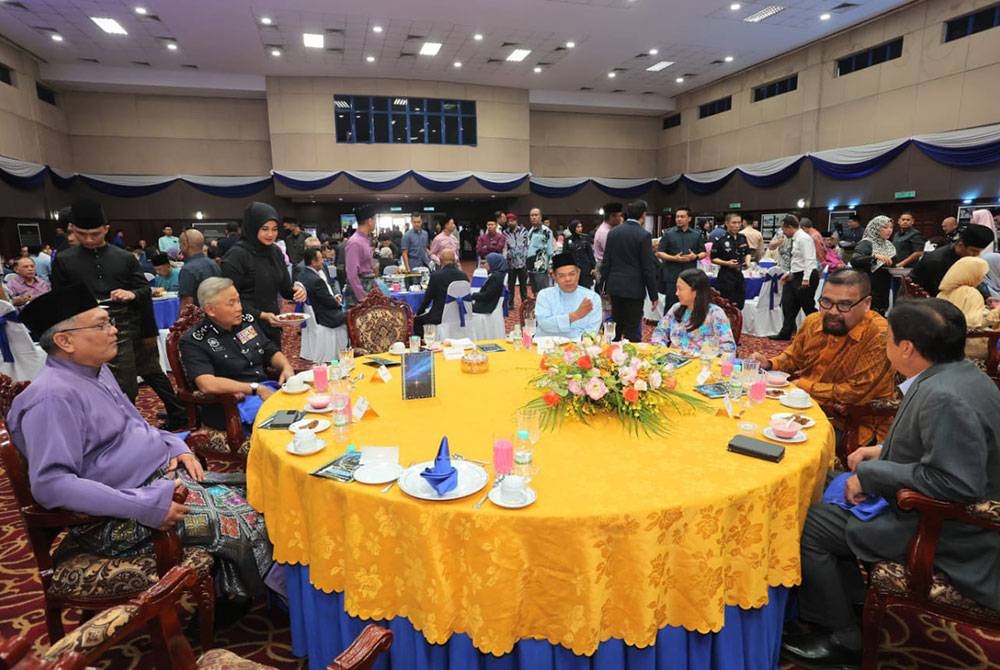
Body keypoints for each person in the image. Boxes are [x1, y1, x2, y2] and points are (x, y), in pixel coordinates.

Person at [8, 283, 274, 602]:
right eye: (101, 324)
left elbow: (136, 427)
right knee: (246, 521)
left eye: (109, 321)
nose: (113, 330)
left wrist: (176, 446)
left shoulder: (96, 371)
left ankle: (232, 591)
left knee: (261, 492)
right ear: (65, 341)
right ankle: (278, 602)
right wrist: (142, 505)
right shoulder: (52, 398)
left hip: (159, 481)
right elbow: (50, 485)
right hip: (116, 518)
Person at [782, 299, 1000, 668]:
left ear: (906, 348)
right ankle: (851, 599)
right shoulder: (957, 374)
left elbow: (956, 483)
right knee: (821, 484)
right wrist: (881, 452)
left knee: (807, 523)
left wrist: (873, 474)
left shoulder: (944, 396)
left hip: (945, 529)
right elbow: (939, 445)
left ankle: (842, 637)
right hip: (920, 501)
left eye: (890, 340)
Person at [51, 200, 187, 432]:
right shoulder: (65, 260)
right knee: (91, 383)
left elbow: (145, 291)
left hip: (127, 325)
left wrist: (131, 294)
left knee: (131, 381)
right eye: (83, 234)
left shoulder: (123, 257)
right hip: (86, 330)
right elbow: (60, 299)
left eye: (95, 234)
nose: (90, 240)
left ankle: (129, 430)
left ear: (106, 229)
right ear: (73, 230)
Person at [752, 269, 897, 447]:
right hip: (800, 406)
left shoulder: (880, 336)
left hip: (849, 425)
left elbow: (854, 394)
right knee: (750, 420)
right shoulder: (814, 321)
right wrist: (769, 363)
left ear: (866, 303)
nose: (832, 312)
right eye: (826, 302)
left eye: (844, 305)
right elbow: (793, 358)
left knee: (777, 446)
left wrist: (802, 386)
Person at [180, 277, 294, 435]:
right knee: (287, 430)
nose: (239, 308)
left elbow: (268, 349)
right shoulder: (195, 340)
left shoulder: (245, 322)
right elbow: (207, 384)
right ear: (210, 309)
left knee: (308, 407)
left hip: (266, 389)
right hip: (231, 406)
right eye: (231, 303)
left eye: (239, 301)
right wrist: (254, 389)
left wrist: (286, 366)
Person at [222, 202, 306, 342]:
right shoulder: (236, 256)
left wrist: (297, 291)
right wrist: (261, 315)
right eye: (265, 229)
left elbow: (285, 289)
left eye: (274, 229)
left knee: (276, 361)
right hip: (244, 326)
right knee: (253, 361)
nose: (270, 234)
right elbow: (228, 300)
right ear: (252, 228)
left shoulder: (275, 252)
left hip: (271, 322)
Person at [597, 199, 659, 342]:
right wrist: (653, 295)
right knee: (632, 325)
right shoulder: (643, 235)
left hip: (615, 286)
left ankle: (615, 354)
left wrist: (603, 285)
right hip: (634, 288)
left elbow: (606, 262)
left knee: (617, 322)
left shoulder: (613, 232)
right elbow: (647, 268)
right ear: (643, 215)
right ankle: (631, 356)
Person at [651, 268, 735, 354]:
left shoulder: (715, 313)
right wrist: (661, 349)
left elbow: (728, 347)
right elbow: (659, 332)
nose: (676, 293)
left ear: (696, 291)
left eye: (680, 289)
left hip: (702, 364)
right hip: (674, 361)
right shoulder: (676, 308)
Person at [937, 257, 1000, 360]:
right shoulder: (970, 293)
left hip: (947, 342)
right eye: (980, 275)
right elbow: (974, 323)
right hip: (969, 345)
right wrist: (997, 312)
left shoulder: (943, 292)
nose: (981, 279)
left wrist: (986, 308)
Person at [909, 224, 993, 296]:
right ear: (960, 244)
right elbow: (940, 293)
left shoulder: (968, 259)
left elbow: (974, 280)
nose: (976, 255)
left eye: (979, 252)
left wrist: (987, 297)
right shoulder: (936, 260)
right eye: (974, 251)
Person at [535, 252, 603, 339]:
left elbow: (591, 332)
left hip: (578, 348)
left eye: (572, 274)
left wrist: (573, 346)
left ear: (578, 274)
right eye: (562, 276)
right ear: (554, 277)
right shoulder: (544, 295)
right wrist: (575, 316)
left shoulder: (592, 298)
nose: (568, 279)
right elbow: (544, 324)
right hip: (546, 345)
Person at [771, 215, 818, 341]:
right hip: (795, 275)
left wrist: (806, 279)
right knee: (788, 303)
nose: (783, 233)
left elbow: (809, 259)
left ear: (790, 227)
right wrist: (790, 273)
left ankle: (819, 331)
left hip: (806, 275)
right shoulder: (796, 239)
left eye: (784, 229)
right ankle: (786, 332)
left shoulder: (804, 239)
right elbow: (798, 260)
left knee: (807, 306)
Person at [655, 206, 705, 311]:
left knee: (690, 305)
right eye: (677, 217)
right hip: (672, 276)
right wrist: (674, 258)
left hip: (691, 276)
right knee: (671, 306)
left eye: (682, 216)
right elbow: (659, 253)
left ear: (689, 219)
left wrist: (695, 256)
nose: (679, 219)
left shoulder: (696, 234)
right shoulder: (668, 234)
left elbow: (703, 253)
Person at [850, 215, 896, 314]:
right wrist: (874, 257)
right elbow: (855, 260)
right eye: (885, 227)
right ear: (876, 228)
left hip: (884, 286)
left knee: (880, 315)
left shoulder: (889, 245)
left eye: (891, 227)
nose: (889, 230)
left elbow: (891, 263)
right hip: (869, 285)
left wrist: (897, 267)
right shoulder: (866, 243)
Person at [414, 249, 468, 330]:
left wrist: (418, 313)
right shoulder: (463, 276)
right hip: (458, 314)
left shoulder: (436, 276)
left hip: (439, 315)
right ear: (454, 260)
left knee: (417, 321)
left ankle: (426, 341)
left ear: (440, 260)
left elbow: (428, 298)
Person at [711, 213, 752, 309]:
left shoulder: (742, 237)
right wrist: (727, 263)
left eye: (739, 223)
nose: (737, 225)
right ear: (727, 223)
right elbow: (713, 258)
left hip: (739, 275)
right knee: (727, 305)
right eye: (734, 223)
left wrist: (748, 262)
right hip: (726, 276)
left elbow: (747, 252)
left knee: (739, 304)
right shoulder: (720, 240)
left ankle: (738, 322)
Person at [299, 247, 346, 329]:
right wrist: (339, 305)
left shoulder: (302, 274)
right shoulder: (316, 281)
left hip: (317, 312)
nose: (323, 261)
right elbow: (329, 302)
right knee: (353, 314)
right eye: (321, 259)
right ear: (313, 262)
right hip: (326, 316)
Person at [343, 205, 377, 306]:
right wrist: (362, 297)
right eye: (374, 219)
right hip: (360, 290)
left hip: (368, 285)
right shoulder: (355, 242)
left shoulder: (364, 239)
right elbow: (351, 274)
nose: (375, 222)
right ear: (369, 221)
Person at [178, 228, 221, 308]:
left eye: (180, 244)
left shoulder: (188, 269)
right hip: (216, 315)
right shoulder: (214, 264)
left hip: (199, 317)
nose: (179, 247)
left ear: (185, 244)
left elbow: (187, 305)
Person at [503, 212, 530, 310]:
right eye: (508, 221)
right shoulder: (505, 233)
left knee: (523, 285)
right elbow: (505, 247)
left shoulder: (524, 231)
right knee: (511, 284)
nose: (510, 223)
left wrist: (525, 257)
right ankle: (510, 303)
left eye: (512, 221)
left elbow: (527, 245)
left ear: (516, 221)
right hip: (511, 263)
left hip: (523, 262)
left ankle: (524, 302)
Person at [526, 208, 554, 296]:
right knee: (535, 292)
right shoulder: (530, 231)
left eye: (536, 215)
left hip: (541, 266)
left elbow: (550, 250)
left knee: (543, 292)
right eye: (532, 215)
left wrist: (550, 265)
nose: (534, 217)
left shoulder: (546, 231)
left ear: (541, 217)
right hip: (530, 265)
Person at [564, 220, 596, 289]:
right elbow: (564, 255)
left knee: (585, 289)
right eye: (578, 227)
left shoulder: (585, 238)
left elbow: (590, 253)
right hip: (572, 268)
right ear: (573, 228)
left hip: (585, 268)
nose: (580, 229)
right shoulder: (568, 240)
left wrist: (593, 267)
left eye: (581, 227)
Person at [593, 202, 624, 267]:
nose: (621, 219)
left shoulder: (610, 229)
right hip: (605, 266)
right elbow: (614, 254)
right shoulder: (605, 232)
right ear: (612, 216)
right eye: (620, 216)